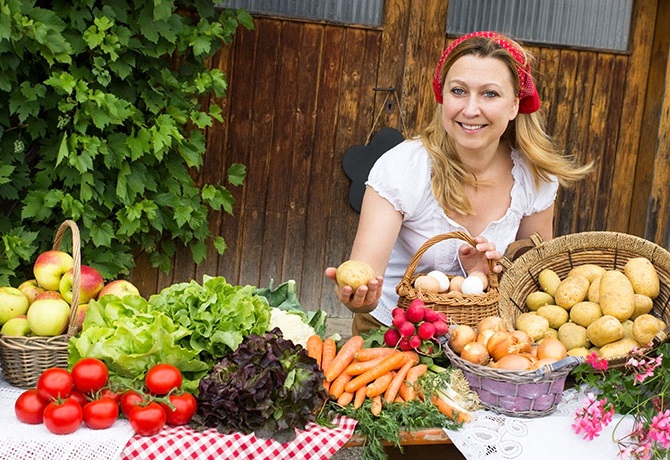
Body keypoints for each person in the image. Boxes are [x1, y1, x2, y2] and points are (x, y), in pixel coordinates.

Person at [325, 31, 592, 336]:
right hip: (395, 335)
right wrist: (358, 297)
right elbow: (364, 282)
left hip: (487, 339)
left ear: (515, 105)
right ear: (442, 97)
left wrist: (490, 271)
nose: (470, 109)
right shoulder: (403, 168)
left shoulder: (535, 177)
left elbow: (534, 280)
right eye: (458, 91)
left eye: (490, 94)